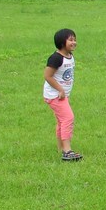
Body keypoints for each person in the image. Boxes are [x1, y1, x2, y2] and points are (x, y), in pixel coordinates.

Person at [43, 28, 82, 162]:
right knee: (68, 118)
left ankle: (61, 148)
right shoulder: (56, 58)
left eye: (74, 39)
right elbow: (47, 76)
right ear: (61, 42)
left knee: (61, 121)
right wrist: (60, 90)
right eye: (70, 40)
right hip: (55, 95)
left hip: (62, 95)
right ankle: (67, 151)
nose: (74, 42)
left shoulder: (70, 56)